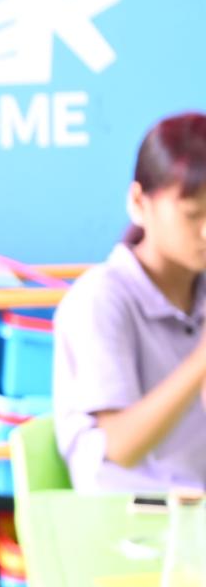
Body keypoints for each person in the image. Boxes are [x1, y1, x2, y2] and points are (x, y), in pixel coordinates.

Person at [56, 112, 206, 493]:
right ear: (139, 202)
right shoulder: (99, 299)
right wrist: (200, 362)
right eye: (193, 215)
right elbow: (121, 446)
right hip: (129, 514)